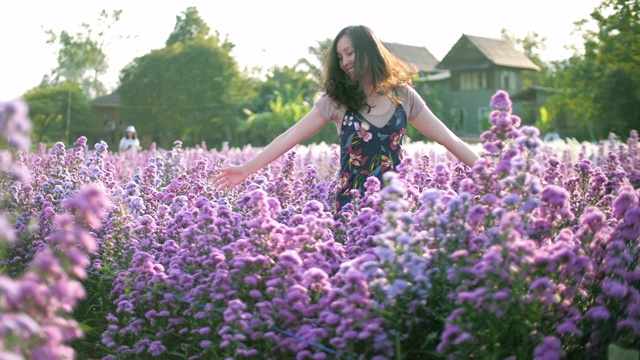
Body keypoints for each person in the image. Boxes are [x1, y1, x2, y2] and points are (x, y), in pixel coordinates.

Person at [214, 25, 480, 213]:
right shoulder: (335, 101)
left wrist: (493, 174)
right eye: (340, 57)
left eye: (350, 53)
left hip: (396, 207)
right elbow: (289, 137)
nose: (344, 62)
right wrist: (246, 169)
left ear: (369, 50)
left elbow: (449, 139)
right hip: (352, 209)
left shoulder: (403, 96)